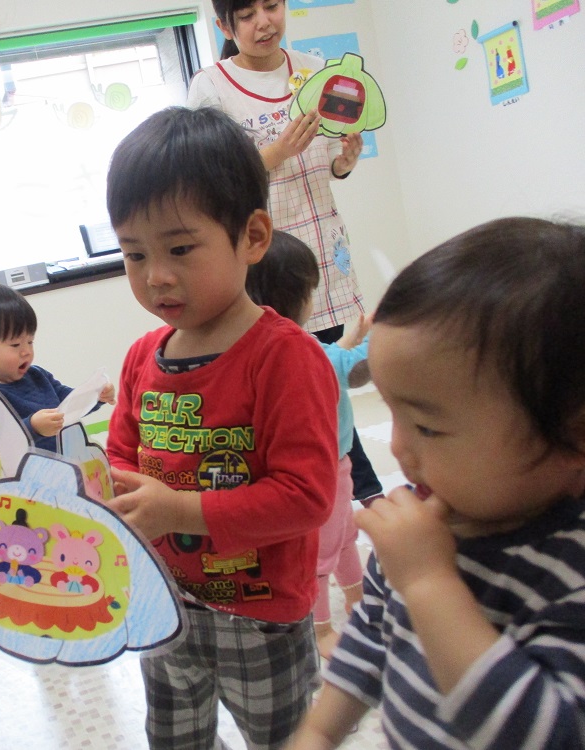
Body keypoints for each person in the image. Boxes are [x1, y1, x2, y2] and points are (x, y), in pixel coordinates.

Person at [286, 217, 585, 750]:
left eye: (428, 426)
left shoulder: (568, 573)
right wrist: (319, 730)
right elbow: (371, 638)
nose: (399, 447)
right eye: (394, 415)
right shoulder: (420, 527)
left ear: (573, 436)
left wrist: (428, 583)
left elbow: (546, 734)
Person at [104, 105, 339, 750]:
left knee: (284, 739)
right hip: (164, 605)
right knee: (174, 738)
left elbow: (307, 495)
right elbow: (120, 460)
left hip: (259, 616)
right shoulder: (141, 358)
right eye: (134, 254)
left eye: (181, 248)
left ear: (253, 238)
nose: (156, 275)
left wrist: (177, 508)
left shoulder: (286, 357)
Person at [188, 0, 384, 506]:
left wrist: (344, 163)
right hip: (267, 257)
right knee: (299, 382)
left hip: (324, 246)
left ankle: (356, 492)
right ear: (224, 26)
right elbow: (213, 178)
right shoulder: (211, 86)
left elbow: (328, 169)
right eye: (246, 14)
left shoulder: (316, 71)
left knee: (332, 374)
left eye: (271, 6)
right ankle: (344, 492)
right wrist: (276, 153)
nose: (263, 22)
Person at [246, 230, 368, 660]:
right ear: (299, 298)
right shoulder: (310, 353)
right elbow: (351, 367)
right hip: (324, 472)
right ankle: (320, 631)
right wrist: (384, 333)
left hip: (308, 471)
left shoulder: (263, 352)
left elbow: (334, 356)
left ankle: (359, 603)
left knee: (344, 536)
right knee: (320, 551)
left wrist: (351, 340)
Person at [0, 284, 116, 452]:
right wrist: (33, 427)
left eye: (30, 341)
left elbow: (70, 403)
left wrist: (95, 396)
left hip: (67, 461)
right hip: (29, 474)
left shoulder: (37, 376)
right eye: (15, 345)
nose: (26, 351)